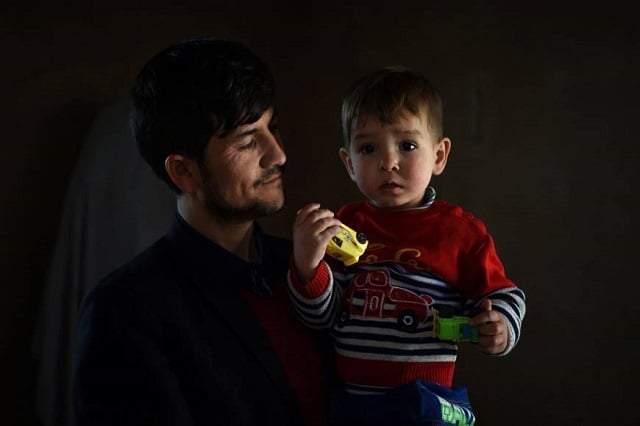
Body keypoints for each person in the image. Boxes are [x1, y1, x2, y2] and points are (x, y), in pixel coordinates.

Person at [72, 38, 332, 426]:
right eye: (248, 141)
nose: (278, 154)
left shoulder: (308, 269)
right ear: (184, 171)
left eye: (272, 128)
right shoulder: (126, 312)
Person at [287, 67, 526, 425]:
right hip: (352, 405)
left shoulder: (458, 232)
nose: (388, 162)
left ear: (439, 156)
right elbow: (320, 318)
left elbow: (507, 294)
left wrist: (501, 325)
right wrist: (308, 267)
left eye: (407, 145)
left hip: (427, 404)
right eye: (368, 148)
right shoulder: (344, 225)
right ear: (349, 164)